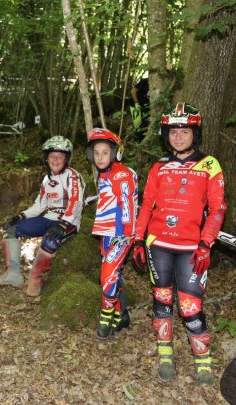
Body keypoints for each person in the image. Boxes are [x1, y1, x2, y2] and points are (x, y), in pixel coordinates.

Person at [132, 103, 226, 384]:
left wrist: (206, 243)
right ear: (166, 134)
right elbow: (147, 204)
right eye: (173, 131)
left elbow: (218, 208)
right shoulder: (159, 166)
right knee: (162, 300)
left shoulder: (209, 165)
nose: (178, 137)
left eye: (184, 131)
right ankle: (165, 356)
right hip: (158, 244)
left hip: (192, 248)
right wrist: (138, 239)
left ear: (194, 133)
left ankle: (203, 359)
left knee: (189, 306)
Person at [0, 136, 85, 297]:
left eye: (60, 156)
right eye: (52, 156)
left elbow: (76, 202)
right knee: (10, 229)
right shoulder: (47, 179)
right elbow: (39, 206)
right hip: (49, 218)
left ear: (67, 159)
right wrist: (21, 216)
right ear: (46, 158)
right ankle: (13, 274)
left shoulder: (73, 176)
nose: (55, 160)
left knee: (50, 240)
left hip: (69, 222)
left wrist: (63, 224)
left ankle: (35, 279)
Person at [86, 128, 138, 339]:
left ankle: (106, 314)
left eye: (104, 152)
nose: (100, 157)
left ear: (115, 153)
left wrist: (127, 235)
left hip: (121, 234)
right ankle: (121, 314)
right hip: (106, 234)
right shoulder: (103, 174)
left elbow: (128, 206)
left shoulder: (122, 174)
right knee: (114, 276)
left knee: (107, 275)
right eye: (96, 153)